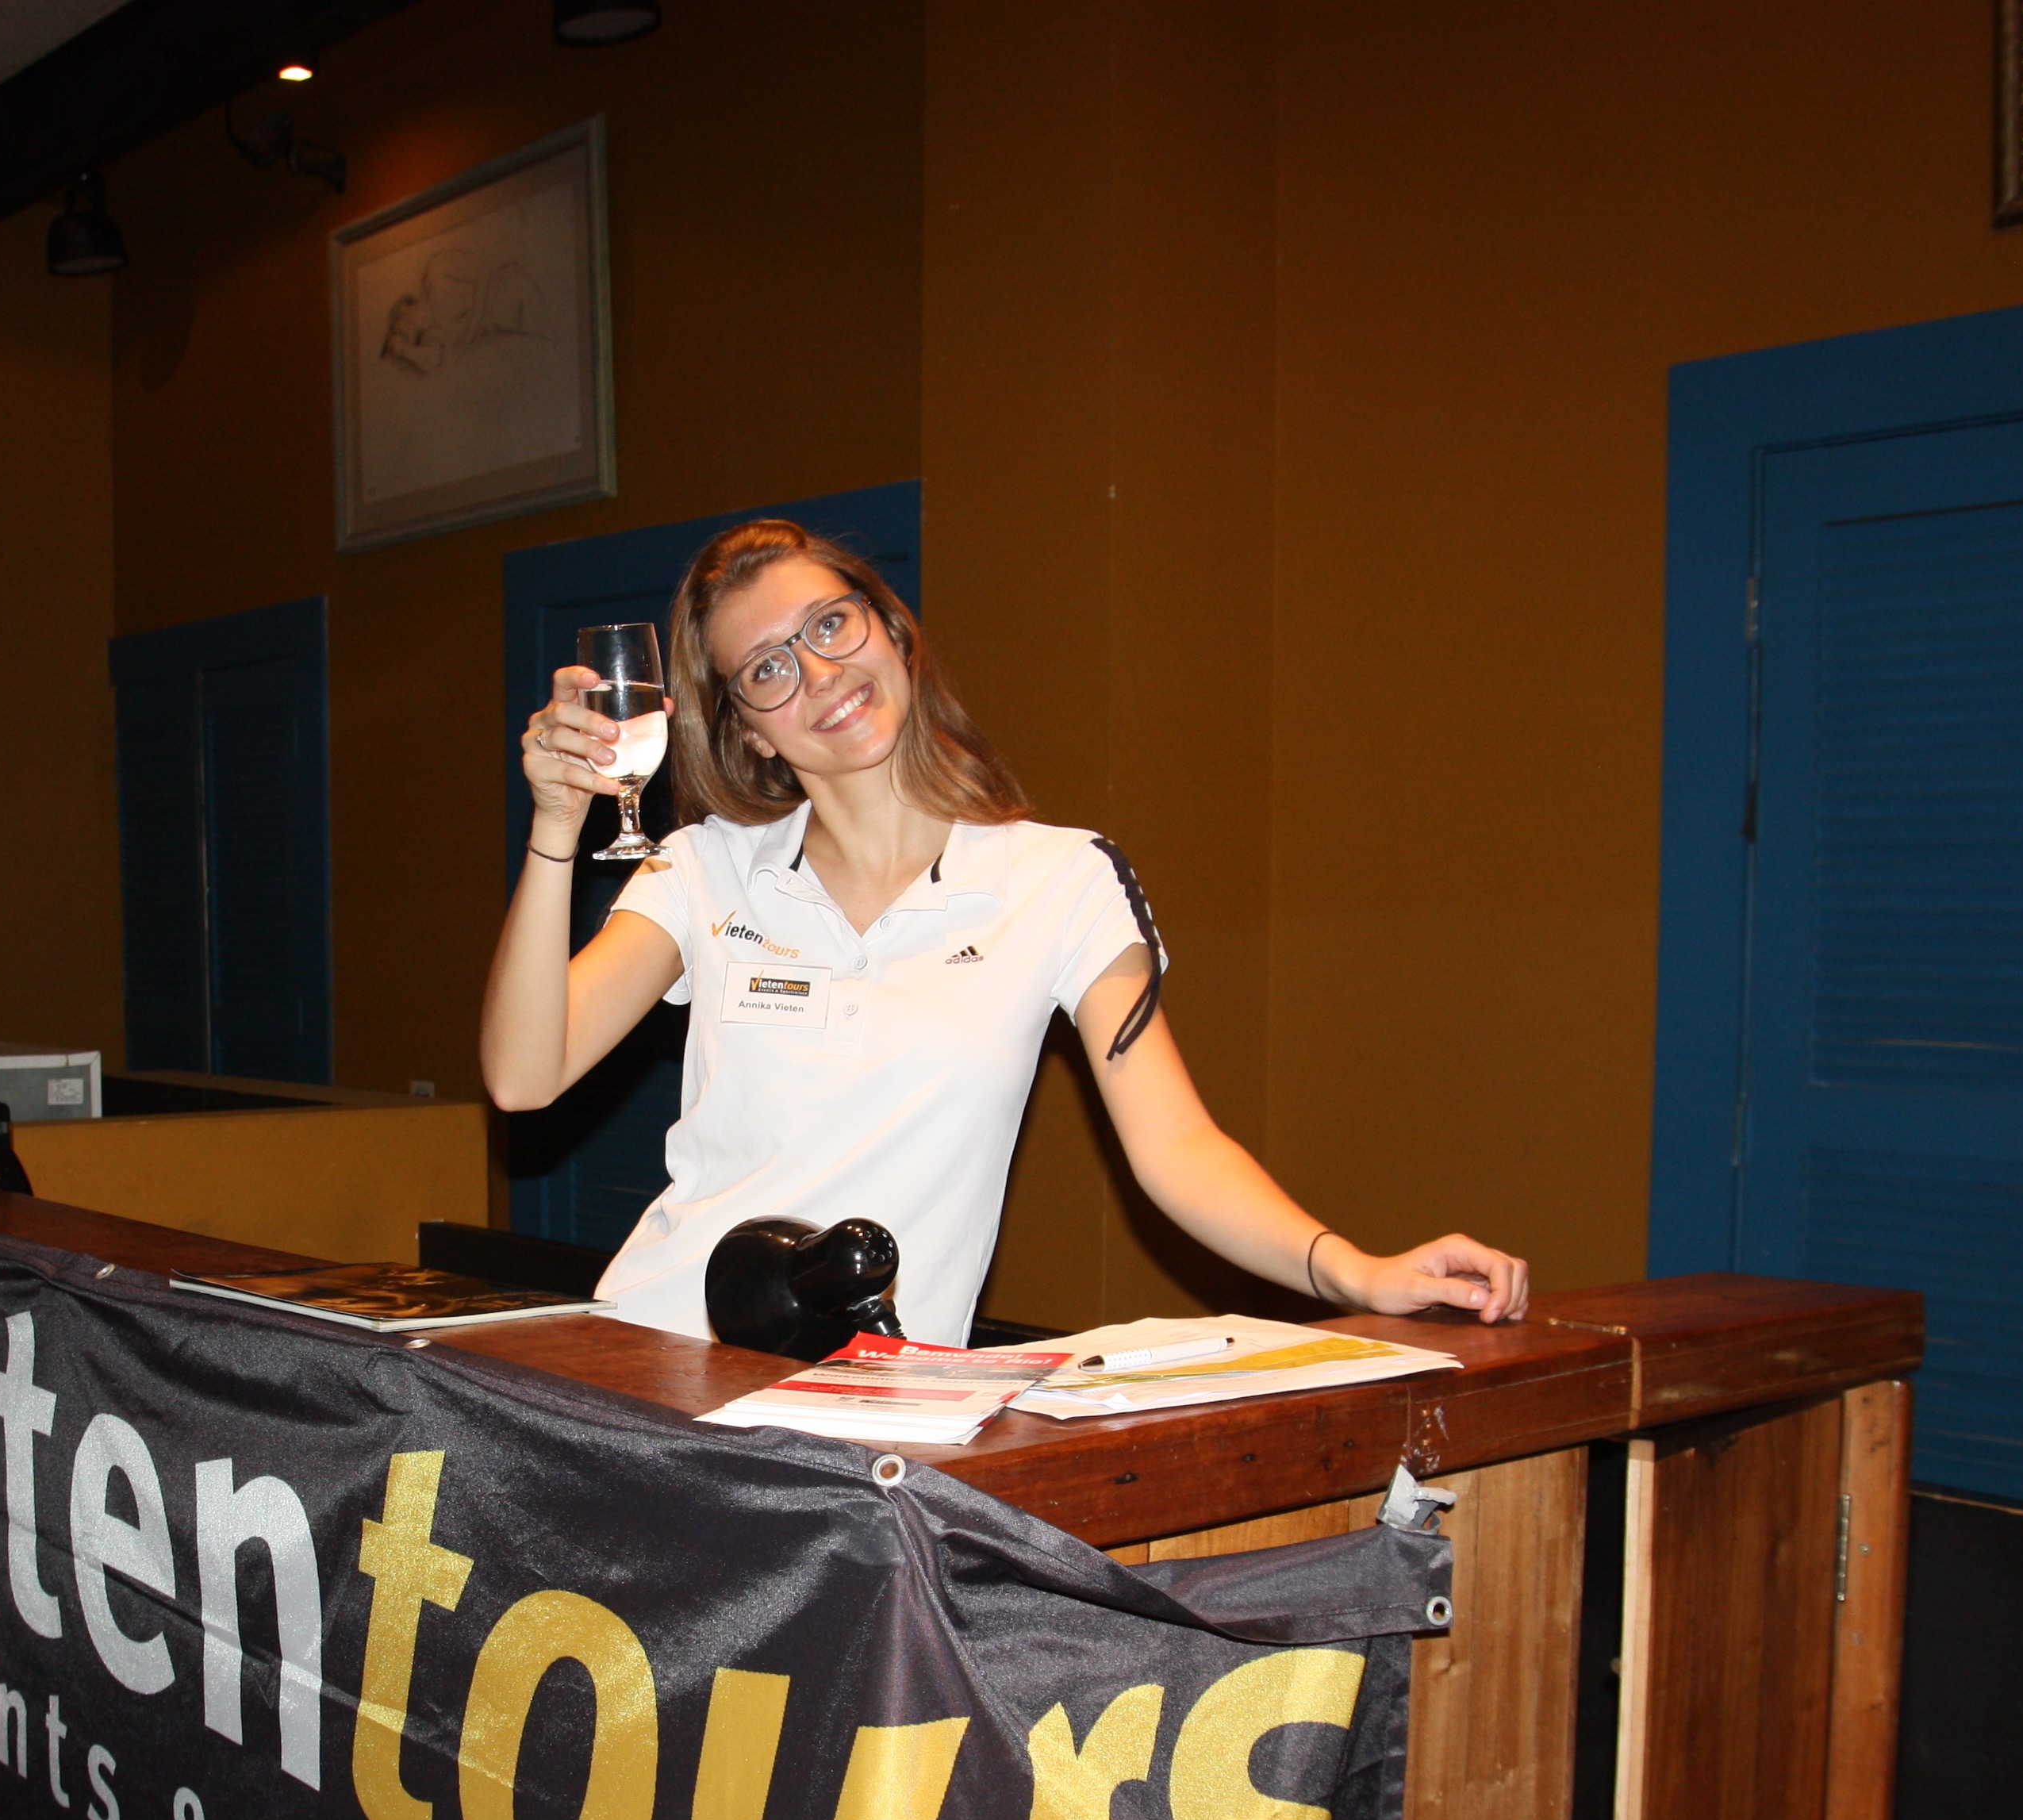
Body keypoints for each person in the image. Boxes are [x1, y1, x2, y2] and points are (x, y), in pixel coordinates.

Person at [481, 518, 1529, 1349]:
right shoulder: (701, 868)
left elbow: (1178, 1149)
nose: (819, 672)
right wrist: (558, 826)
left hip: (872, 1408)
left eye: (831, 625)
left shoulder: (1061, 880)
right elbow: (525, 1077)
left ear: (892, 630)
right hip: (656, 1356)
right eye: (767, 668)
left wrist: (1357, 1271)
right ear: (748, 730)